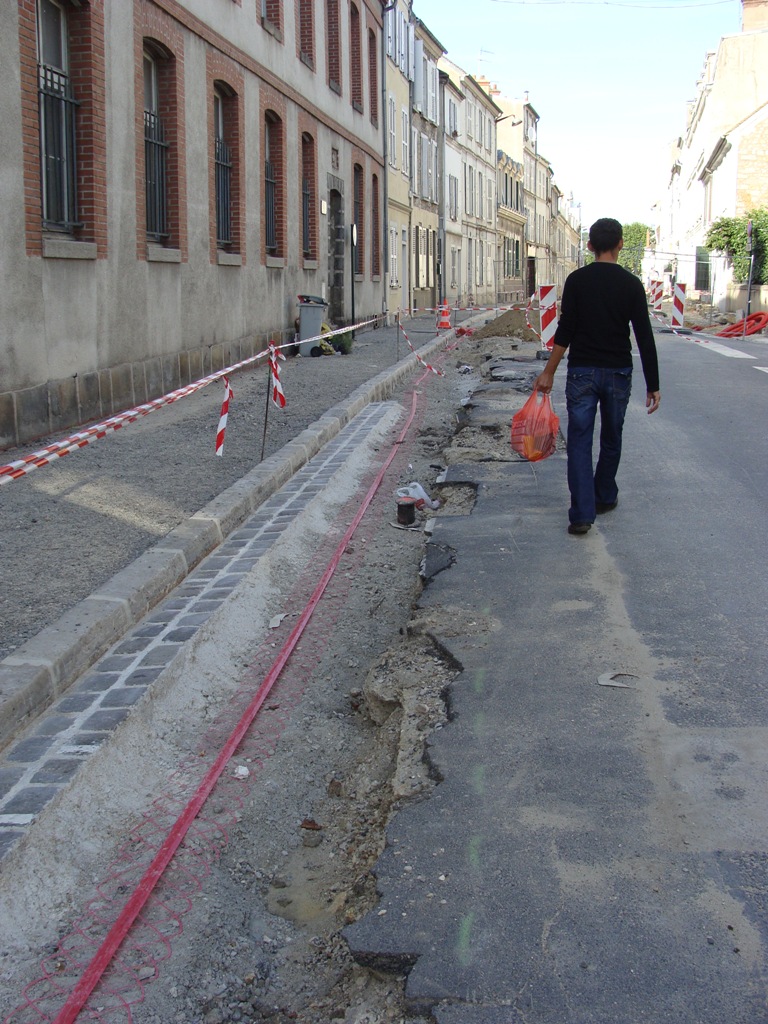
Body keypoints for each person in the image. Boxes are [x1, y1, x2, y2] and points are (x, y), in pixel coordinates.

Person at [534, 217, 660, 536]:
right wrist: (653, 384)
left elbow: (566, 330)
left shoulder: (577, 281)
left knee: (579, 440)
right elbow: (644, 335)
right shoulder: (632, 285)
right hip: (618, 372)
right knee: (612, 435)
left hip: (582, 372)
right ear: (620, 244)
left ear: (589, 247)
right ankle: (604, 495)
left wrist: (549, 370)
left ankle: (581, 514)